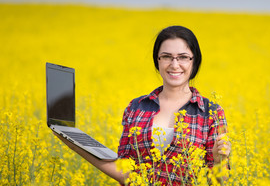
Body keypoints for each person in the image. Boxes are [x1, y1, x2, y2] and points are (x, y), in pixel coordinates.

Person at [54, 25, 231, 185]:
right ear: (158, 60)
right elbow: (125, 171)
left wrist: (219, 161)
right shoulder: (136, 107)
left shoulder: (211, 113)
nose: (174, 64)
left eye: (183, 57)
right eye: (166, 57)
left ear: (194, 61)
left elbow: (217, 182)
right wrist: (72, 140)